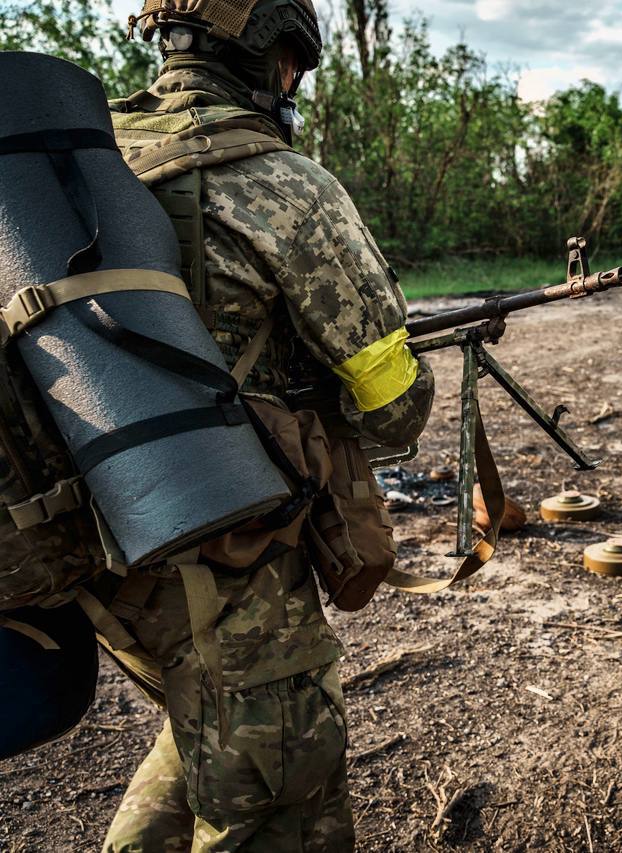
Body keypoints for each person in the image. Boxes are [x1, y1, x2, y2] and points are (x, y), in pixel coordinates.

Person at [93, 0, 437, 848]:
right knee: (285, 806)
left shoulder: (86, 160)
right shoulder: (286, 185)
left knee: (205, 723)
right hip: (227, 560)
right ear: (271, 57)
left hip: (102, 558)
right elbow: (395, 410)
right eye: (292, 64)